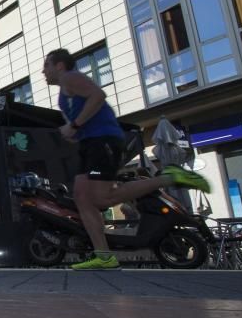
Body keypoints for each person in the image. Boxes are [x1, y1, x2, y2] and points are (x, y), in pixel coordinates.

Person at [42, 48, 209, 270]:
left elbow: (98, 96)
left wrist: (74, 126)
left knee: (102, 199)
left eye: (47, 66)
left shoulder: (70, 78)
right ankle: (103, 256)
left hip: (104, 141)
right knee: (82, 197)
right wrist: (75, 133)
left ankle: (169, 177)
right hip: (90, 143)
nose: (44, 71)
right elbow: (87, 112)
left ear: (59, 65)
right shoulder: (64, 89)